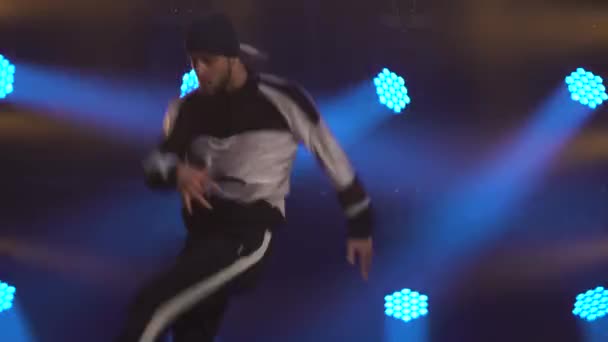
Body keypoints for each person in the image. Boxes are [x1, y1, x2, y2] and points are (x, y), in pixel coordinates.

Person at [116, 12, 374, 342]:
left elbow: (333, 160)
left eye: (207, 61)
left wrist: (360, 225)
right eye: (194, 62)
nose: (199, 71)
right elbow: (154, 163)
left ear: (231, 57)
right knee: (192, 332)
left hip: (246, 237)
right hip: (201, 238)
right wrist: (177, 172)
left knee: (152, 305)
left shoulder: (282, 99)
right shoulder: (188, 109)